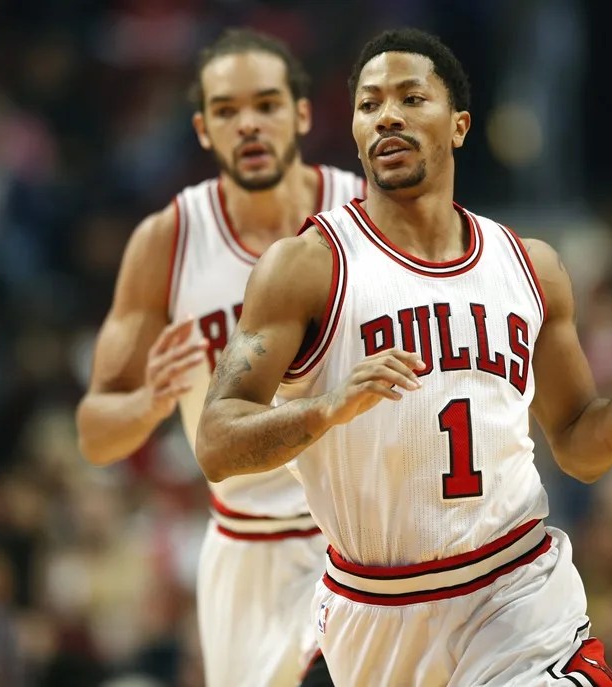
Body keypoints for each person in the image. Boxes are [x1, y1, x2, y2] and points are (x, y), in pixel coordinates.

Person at [196, 27, 612, 686]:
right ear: (356, 132)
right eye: (370, 103)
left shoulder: (532, 268)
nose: (388, 116)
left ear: (459, 125)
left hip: (517, 591)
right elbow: (216, 441)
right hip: (378, 613)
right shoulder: (307, 267)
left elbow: (579, 444)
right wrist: (326, 408)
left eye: (411, 98)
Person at [75, 28, 363, 687]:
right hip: (245, 547)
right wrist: (149, 401)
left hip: (356, 532)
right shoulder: (170, 239)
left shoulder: (363, 212)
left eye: (266, 104)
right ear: (204, 130)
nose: (249, 124)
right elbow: (94, 433)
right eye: (228, 111)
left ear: (303, 114)